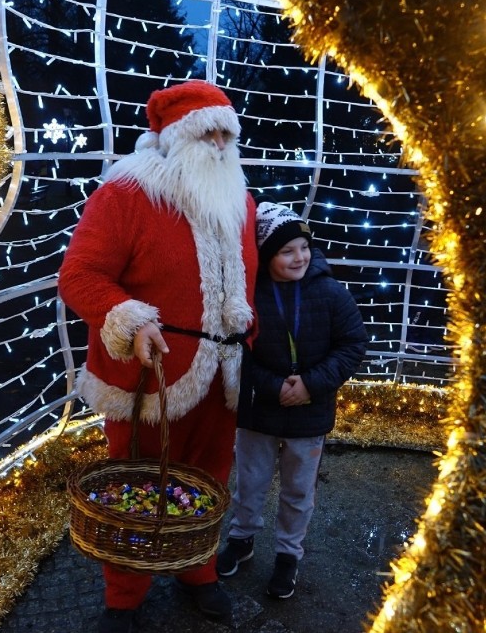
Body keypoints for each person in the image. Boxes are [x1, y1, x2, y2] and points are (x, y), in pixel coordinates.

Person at [57, 80, 258, 633]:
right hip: (149, 378)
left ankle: (198, 570)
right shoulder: (125, 194)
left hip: (221, 374)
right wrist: (131, 319)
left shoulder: (239, 197)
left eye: (226, 132)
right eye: (206, 132)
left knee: (209, 477)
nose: (220, 144)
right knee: (137, 487)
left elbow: (243, 284)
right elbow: (79, 276)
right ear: (172, 137)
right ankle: (125, 596)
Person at [215, 202, 368, 599]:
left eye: (303, 246)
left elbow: (352, 345)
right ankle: (242, 538)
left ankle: (288, 553)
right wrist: (272, 386)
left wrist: (311, 385)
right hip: (259, 412)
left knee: (299, 490)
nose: (299, 256)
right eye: (287, 251)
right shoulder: (248, 297)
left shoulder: (331, 292)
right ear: (267, 256)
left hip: (309, 414)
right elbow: (237, 351)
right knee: (249, 482)